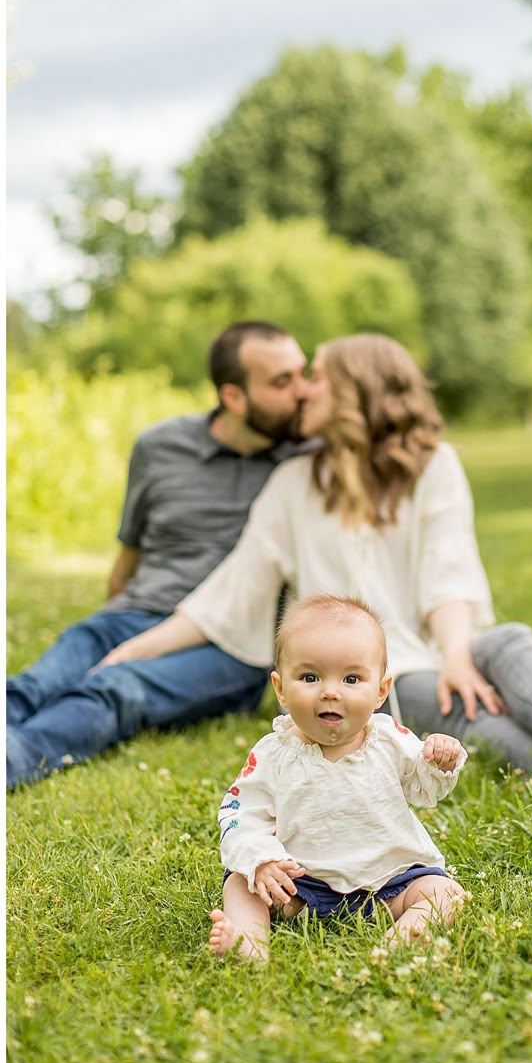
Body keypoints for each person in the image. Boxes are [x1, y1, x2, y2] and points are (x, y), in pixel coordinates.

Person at [101, 332, 532, 792]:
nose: (302, 389)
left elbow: (448, 571)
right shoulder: (291, 484)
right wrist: (135, 648)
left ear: (359, 391)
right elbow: (229, 593)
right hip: (376, 676)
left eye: (317, 377)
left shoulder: (434, 466)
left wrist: (458, 653)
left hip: (443, 641)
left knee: (505, 642)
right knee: (461, 705)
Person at [7, 320, 312, 788]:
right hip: (136, 613)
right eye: (282, 381)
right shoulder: (160, 445)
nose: (303, 391)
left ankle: (15, 758)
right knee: (34, 686)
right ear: (233, 396)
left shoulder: (310, 458)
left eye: (302, 373)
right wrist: (109, 621)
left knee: (115, 690)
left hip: (229, 642)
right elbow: (129, 556)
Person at [208, 594, 468, 961]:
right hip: (302, 886)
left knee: (444, 892)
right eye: (310, 677)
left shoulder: (390, 739)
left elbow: (423, 788)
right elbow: (240, 815)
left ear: (380, 690)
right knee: (241, 882)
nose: (330, 691)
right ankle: (249, 942)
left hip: (389, 883)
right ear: (281, 688)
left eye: (351, 678)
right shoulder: (272, 755)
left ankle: (403, 939)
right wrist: (263, 860)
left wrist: (439, 761)